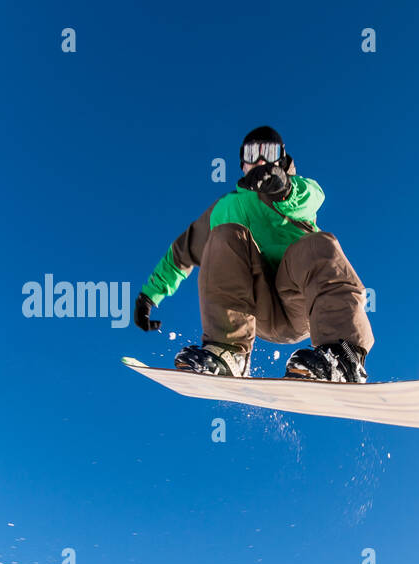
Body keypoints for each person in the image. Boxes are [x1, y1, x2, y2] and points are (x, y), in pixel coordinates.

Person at [133, 126, 373, 382]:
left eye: (268, 152)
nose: (259, 160)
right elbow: (182, 251)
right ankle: (227, 352)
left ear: (281, 158)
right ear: (242, 163)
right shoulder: (224, 209)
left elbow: (312, 197)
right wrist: (148, 296)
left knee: (318, 244)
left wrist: (283, 188)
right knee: (223, 236)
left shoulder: (296, 190)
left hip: (301, 302)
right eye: (251, 154)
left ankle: (343, 356)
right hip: (255, 306)